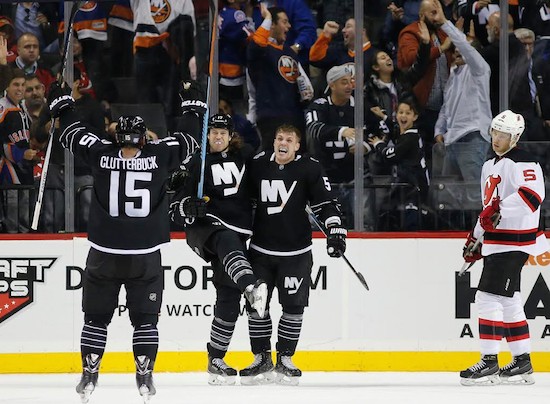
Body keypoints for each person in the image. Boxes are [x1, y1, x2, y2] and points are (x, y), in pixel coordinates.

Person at [46, 82, 199, 401]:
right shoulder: (159, 155)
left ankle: (89, 375)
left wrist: (62, 102)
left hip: (104, 254)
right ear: (144, 138)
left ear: (118, 137)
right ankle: (144, 376)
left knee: (95, 318)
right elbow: (189, 140)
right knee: (145, 319)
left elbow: (72, 133)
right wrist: (192, 106)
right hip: (145, 255)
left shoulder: (102, 154)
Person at [239, 124, 346, 385]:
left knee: (293, 307)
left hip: (296, 253)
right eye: (278, 138)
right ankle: (261, 357)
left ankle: (285, 357)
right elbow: (241, 199)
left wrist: (335, 230)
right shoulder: (258, 163)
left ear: (297, 145)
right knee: (257, 305)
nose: (282, 143)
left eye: (288, 139)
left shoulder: (309, 167)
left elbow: (326, 203)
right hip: (261, 251)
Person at [170, 112, 268, 386]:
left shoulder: (244, 157)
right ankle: (250, 285)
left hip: (237, 233)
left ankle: (216, 359)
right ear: (207, 134)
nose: (217, 136)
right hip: (206, 229)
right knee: (226, 240)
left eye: (222, 132)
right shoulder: (197, 161)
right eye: (213, 131)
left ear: (230, 135)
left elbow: (265, 175)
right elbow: (174, 208)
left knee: (227, 296)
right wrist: (189, 207)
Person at [460, 110, 548, 386]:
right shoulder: (489, 164)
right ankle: (522, 361)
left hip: (515, 241)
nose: (497, 138)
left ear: (515, 137)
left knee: (486, 298)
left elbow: (533, 197)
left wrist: (497, 212)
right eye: (495, 132)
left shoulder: (524, 161)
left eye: (504, 134)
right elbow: (487, 209)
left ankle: (489, 361)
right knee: (509, 300)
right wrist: (475, 238)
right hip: (496, 242)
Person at [432, 8, 491, 202]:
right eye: (456, 48)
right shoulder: (454, 75)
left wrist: (445, 24)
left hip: (472, 137)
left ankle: (481, 232)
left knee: (475, 193)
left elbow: (465, 48)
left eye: (463, 47)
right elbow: (446, 106)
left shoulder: (480, 71)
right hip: (451, 140)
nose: (457, 50)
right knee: (449, 196)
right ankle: (455, 232)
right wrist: (439, 129)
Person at [247, 4, 311, 150]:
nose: (289, 26)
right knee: (274, 161)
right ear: (273, 25)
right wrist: (267, 18)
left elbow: (302, 82)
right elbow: (256, 44)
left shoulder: (289, 52)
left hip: (295, 116)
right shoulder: (261, 52)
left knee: (298, 161)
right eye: (284, 22)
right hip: (271, 116)